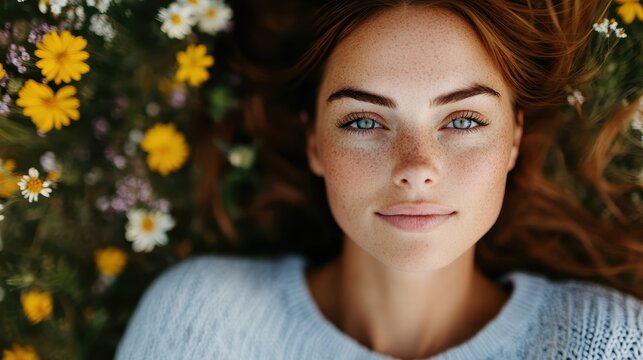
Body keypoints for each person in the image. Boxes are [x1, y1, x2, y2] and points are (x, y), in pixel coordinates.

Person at [115, 0, 643, 359]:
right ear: (315, 143)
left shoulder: (606, 341)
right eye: (364, 121)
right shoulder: (207, 323)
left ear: (513, 140)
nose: (416, 167)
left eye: (462, 120)